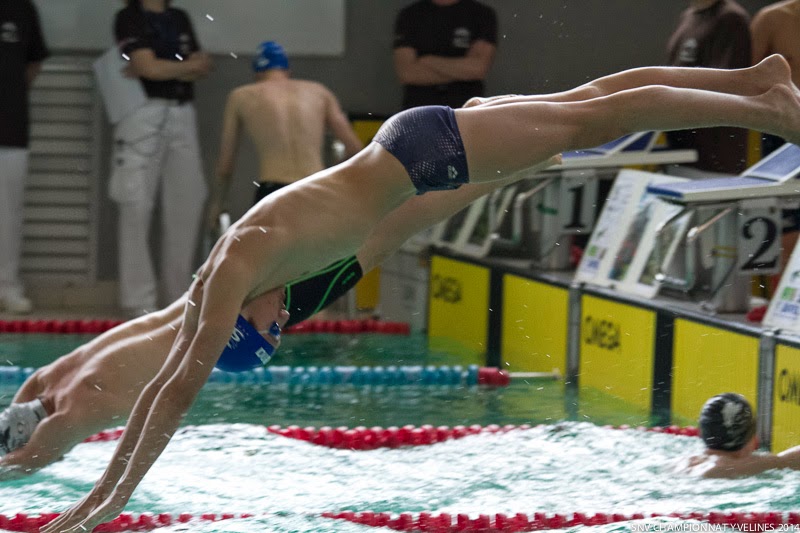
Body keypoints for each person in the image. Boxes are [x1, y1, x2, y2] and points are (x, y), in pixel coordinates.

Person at [43, 55, 800, 532]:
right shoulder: (247, 283)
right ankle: (751, 79)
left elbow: (173, 391)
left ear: (241, 320)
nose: (284, 322)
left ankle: (766, 111)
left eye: (269, 331)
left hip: (425, 152)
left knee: (593, 118)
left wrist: (108, 497)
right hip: (420, 155)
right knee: (589, 101)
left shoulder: (239, 266)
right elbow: (163, 362)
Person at [0, 171, 525, 480]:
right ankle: (481, 162)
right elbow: (23, 419)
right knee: (381, 220)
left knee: (390, 225)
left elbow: (27, 462)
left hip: (245, 321)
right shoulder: (52, 378)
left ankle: (494, 167)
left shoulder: (72, 406)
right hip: (228, 296)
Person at [110, 0, 212, 317]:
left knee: (187, 202)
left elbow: (203, 64)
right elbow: (147, 67)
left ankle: (178, 296)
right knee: (135, 204)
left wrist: (161, 68)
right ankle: (138, 301)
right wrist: (180, 68)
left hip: (182, 111)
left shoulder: (179, 17)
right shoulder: (129, 18)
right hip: (142, 113)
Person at [206, 41, 363, 230]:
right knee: (324, 249)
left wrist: (218, 204)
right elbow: (356, 149)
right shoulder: (319, 92)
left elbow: (225, 166)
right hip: (317, 188)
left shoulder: (241, 96)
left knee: (270, 250)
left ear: (257, 73)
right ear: (287, 70)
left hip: (274, 193)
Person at [0, 0, 49, 314]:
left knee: (8, 214)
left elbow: (32, 64)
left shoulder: (22, 9)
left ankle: (7, 286)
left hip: (11, 126)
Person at [666, 0, 752, 175]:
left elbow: (726, 86)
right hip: (681, 151)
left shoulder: (731, 19)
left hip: (714, 160)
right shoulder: (688, 16)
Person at [751, 1, 800, 287]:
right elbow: (744, 83)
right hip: (779, 139)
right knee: (785, 232)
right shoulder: (772, 20)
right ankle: (778, 306)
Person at [393, 0, 497, 109]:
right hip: (418, 108)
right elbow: (407, 73)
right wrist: (461, 71)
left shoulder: (481, 14)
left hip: (464, 109)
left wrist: (428, 60)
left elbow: (478, 69)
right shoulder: (410, 14)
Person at [674, 393, 800, 478]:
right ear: (750, 438)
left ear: (701, 432)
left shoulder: (679, 464)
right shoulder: (736, 467)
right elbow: (786, 461)